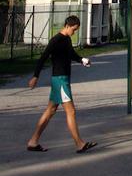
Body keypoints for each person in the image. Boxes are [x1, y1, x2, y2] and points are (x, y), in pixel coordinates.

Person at [26, 14, 96, 154]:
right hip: (60, 80)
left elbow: (71, 54)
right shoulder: (56, 40)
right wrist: (35, 76)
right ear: (67, 26)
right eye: (74, 29)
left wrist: (82, 60)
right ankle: (79, 144)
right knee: (71, 111)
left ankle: (33, 142)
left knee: (50, 111)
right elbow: (43, 57)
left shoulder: (67, 39)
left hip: (61, 79)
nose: (74, 32)